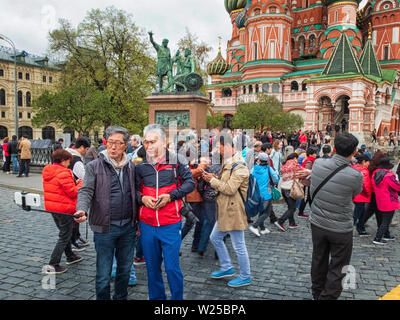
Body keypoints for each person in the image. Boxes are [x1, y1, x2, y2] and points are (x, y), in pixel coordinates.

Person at [75, 126, 138, 300]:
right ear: (106, 143)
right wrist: (81, 208)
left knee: (124, 271)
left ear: (125, 145)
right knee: (103, 273)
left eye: (118, 143)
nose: (113, 147)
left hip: (128, 227)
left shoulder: (131, 167)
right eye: (110, 142)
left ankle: (121, 297)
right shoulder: (94, 166)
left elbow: (137, 193)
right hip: (104, 228)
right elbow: (85, 191)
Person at [135, 124, 195, 300]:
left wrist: (170, 196)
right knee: (152, 269)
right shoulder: (139, 165)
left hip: (170, 222)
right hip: (147, 224)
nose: (149, 145)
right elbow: (135, 191)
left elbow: (189, 184)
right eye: (146, 142)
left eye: (153, 141)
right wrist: (142, 199)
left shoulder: (177, 161)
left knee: (172, 268)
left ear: (164, 141)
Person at [309, 133, 363, 300]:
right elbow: (356, 193)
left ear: (333, 148)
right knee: (339, 265)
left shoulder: (317, 163)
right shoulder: (355, 176)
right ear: (354, 152)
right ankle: (328, 297)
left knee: (318, 258)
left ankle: (317, 292)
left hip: (317, 223)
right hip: (340, 228)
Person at [202, 132, 251, 288]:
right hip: (225, 209)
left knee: (239, 246)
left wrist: (213, 181)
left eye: (220, 147)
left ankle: (245, 276)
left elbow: (229, 189)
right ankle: (227, 267)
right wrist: (213, 178)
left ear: (229, 146)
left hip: (234, 210)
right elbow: (225, 182)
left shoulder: (240, 165)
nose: (219, 150)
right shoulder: (229, 161)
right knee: (215, 237)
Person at [42, 149, 84, 275]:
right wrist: (80, 184)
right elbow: (72, 192)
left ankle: (70, 255)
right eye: (68, 161)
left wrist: (74, 183)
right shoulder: (64, 172)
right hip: (64, 208)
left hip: (52, 206)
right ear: (63, 160)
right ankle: (53, 263)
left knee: (64, 233)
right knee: (65, 235)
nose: (69, 164)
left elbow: (60, 188)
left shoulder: (48, 170)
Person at [275, 153, 311, 231]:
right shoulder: (294, 165)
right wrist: (312, 171)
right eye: (297, 159)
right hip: (290, 188)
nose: (297, 160)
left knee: (290, 207)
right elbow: (305, 171)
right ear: (295, 158)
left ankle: (292, 223)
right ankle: (280, 221)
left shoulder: (284, 165)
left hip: (283, 188)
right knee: (292, 208)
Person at [66, 138, 91, 250]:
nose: (86, 152)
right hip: (73, 191)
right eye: (86, 149)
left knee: (73, 219)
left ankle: (76, 237)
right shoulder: (76, 160)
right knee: (75, 218)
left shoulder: (67, 155)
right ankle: (73, 240)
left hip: (67, 191)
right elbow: (84, 177)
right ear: (81, 147)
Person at [248, 152, 279, 237]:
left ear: (259, 160)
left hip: (256, 194)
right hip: (266, 194)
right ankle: (255, 226)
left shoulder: (254, 169)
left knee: (262, 211)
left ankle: (262, 228)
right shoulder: (269, 169)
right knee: (267, 212)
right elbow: (276, 179)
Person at [197, 154, 222, 256]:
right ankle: (218, 252)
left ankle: (201, 247)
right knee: (220, 224)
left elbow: (201, 185)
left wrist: (203, 194)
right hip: (220, 197)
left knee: (208, 222)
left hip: (208, 198)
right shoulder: (225, 170)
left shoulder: (209, 168)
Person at [371, 158, 400, 245]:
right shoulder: (388, 176)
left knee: (385, 219)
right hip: (389, 200)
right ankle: (378, 238)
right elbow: (397, 187)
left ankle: (387, 235)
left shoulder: (375, 173)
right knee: (386, 220)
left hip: (380, 199)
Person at [351, 153, 372, 236]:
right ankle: (353, 228)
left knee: (361, 212)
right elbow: (366, 185)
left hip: (354, 194)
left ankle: (361, 228)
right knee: (357, 214)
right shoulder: (364, 171)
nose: (369, 164)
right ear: (364, 161)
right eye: (368, 162)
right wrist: (368, 195)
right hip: (362, 196)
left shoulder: (352, 168)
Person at [298, 147, 318, 218]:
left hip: (308, 182)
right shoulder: (309, 161)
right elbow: (306, 172)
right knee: (306, 198)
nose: (316, 154)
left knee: (309, 198)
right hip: (307, 182)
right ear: (310, 154)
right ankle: (300, 212)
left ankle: (313, 212)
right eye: (314, 153)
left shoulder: (309, 160)